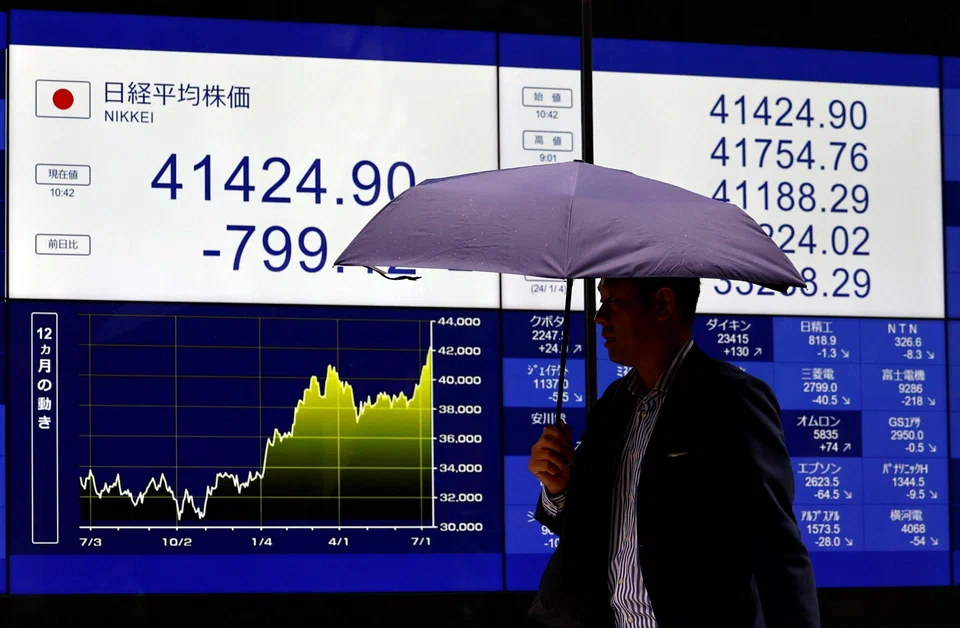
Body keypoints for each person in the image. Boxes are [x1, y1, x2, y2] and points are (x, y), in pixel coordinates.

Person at [527, 276, 820, 628]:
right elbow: (584, 529)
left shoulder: (731, 401)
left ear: (663, 304)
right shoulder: (613, 405)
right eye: (600, 301)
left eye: (614, 302)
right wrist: (557, 487)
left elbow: (777, 550)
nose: (599, 317)